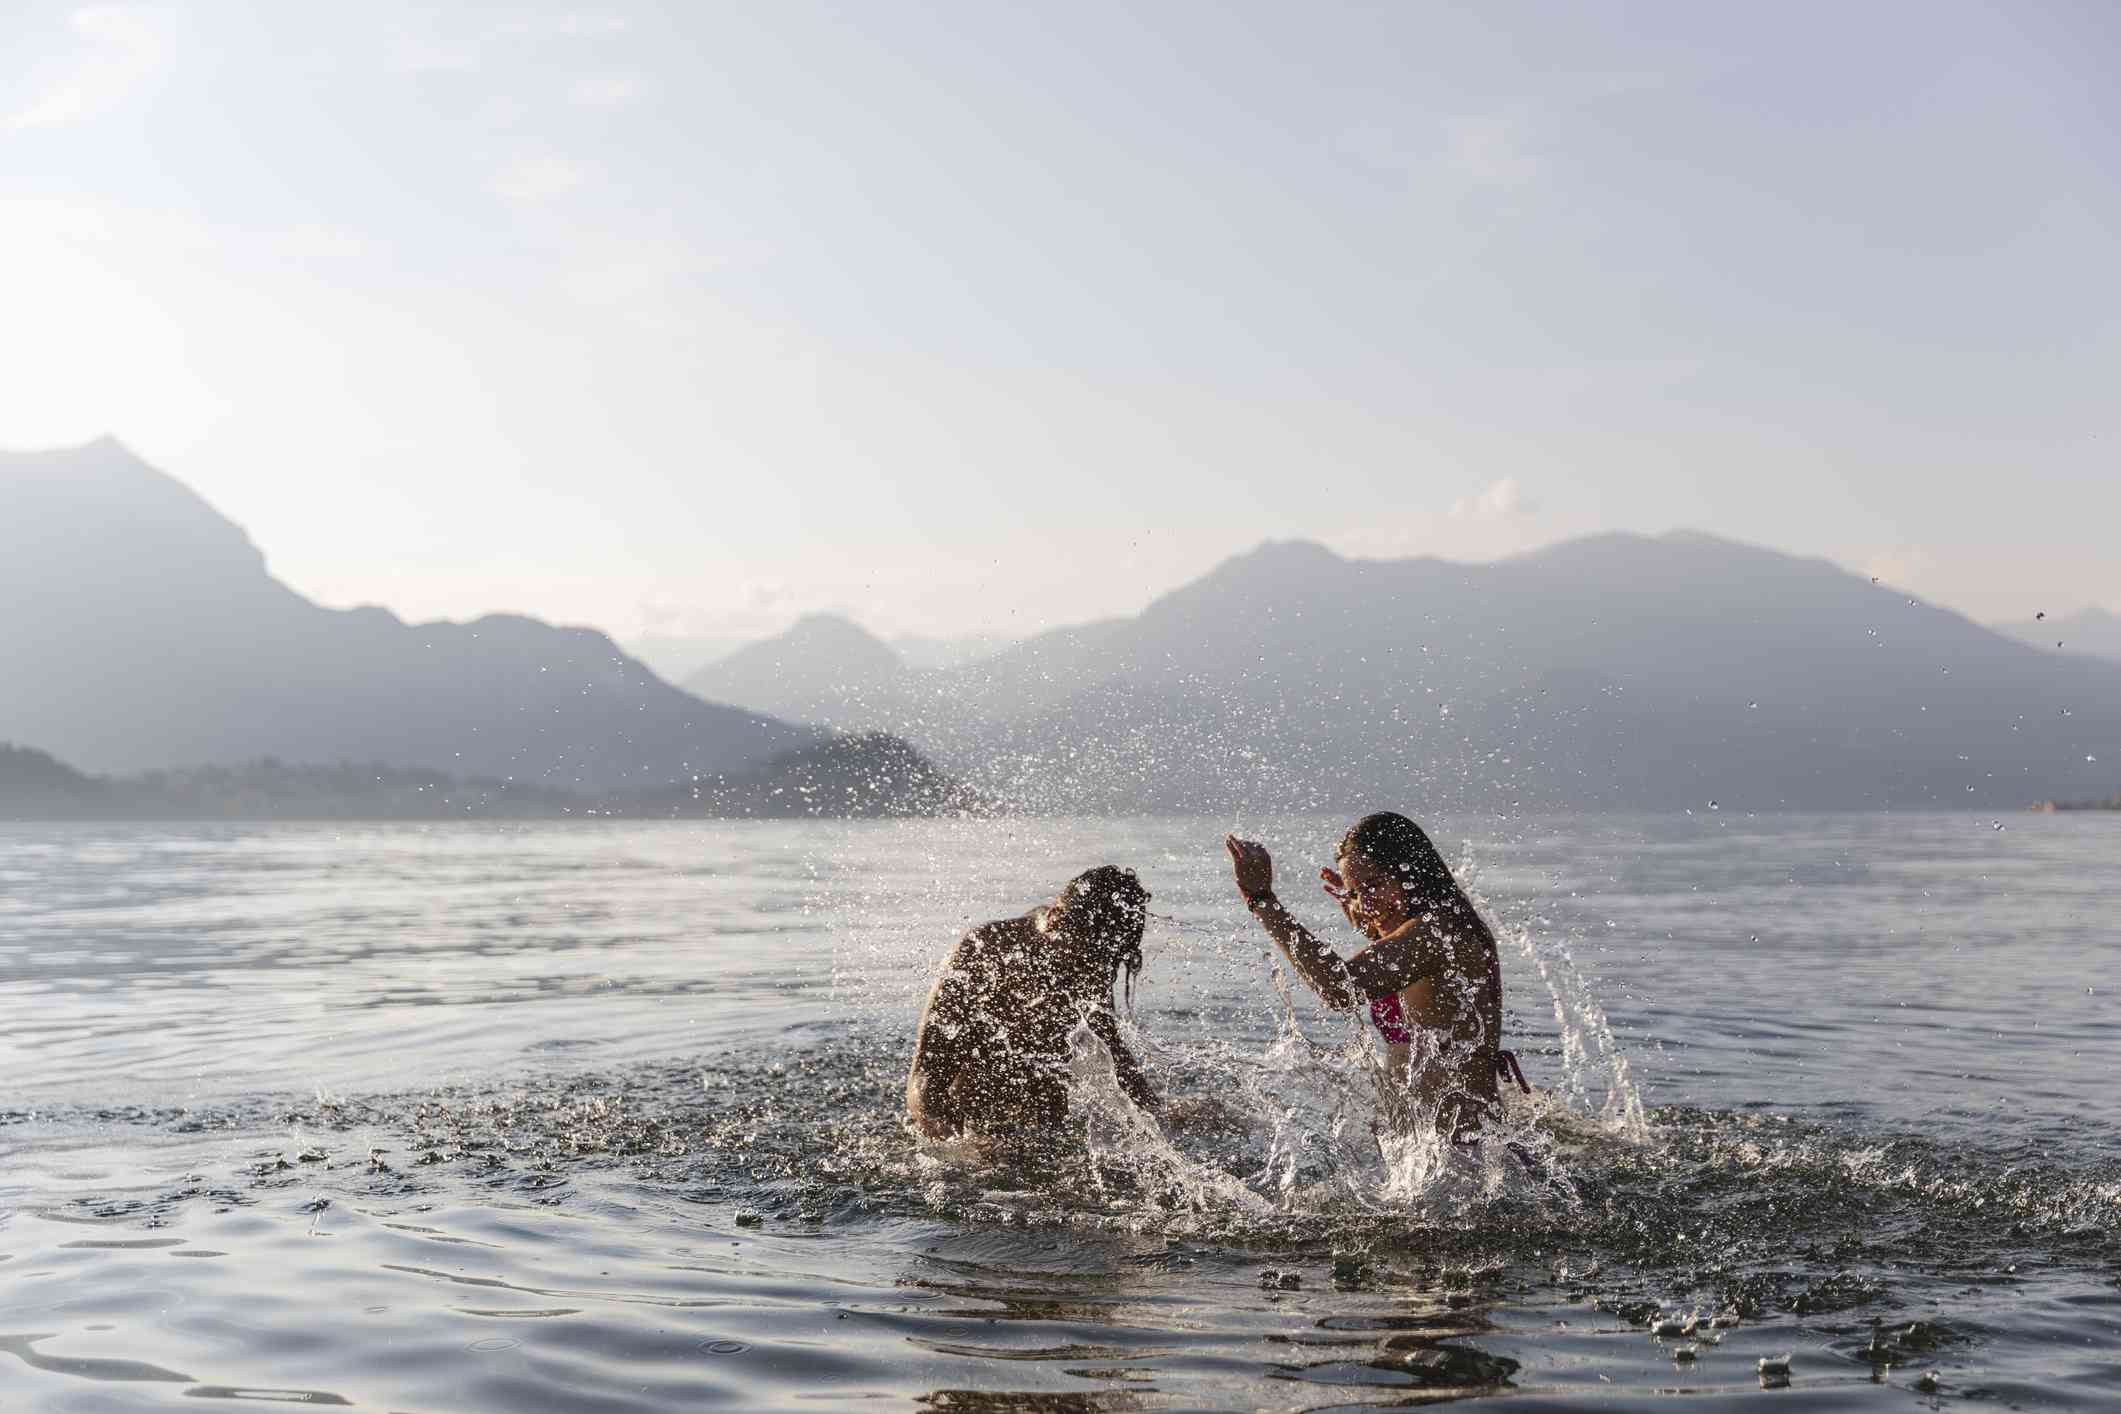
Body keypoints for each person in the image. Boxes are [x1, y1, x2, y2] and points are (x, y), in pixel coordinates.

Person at [1224, 813, 1528, 1142]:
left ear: (1411, 872)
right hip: (1433, 1152)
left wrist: (1262, 901)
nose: (1365, 904)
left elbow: (1339, 988)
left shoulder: (1442, 930)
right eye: (1355, 893)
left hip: (1471, 1159)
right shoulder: (1430, 929)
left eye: (1375, 885)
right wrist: (1370, 914)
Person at [905, 865, 1157, 1142]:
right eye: (1075, 961)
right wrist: (961, 1146)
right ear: (1054, 917)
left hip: (1049, 1131)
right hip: (974, 1125)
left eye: (1099, 966)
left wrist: (1158, 1117)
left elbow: (1115, 1058)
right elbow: (925, 1082)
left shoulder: (1093, 955)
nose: (1081, 976)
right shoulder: (984, 952)